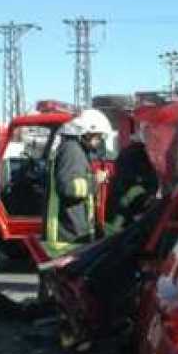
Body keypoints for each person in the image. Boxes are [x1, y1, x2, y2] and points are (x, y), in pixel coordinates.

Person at [43, 109, 113, 256]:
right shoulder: (72, 151)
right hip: (67, 236)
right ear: (85, 132)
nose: (98, 141)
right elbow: (69, 187)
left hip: (70, 231)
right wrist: (95, 180)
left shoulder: (74, 149)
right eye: (97, 136)